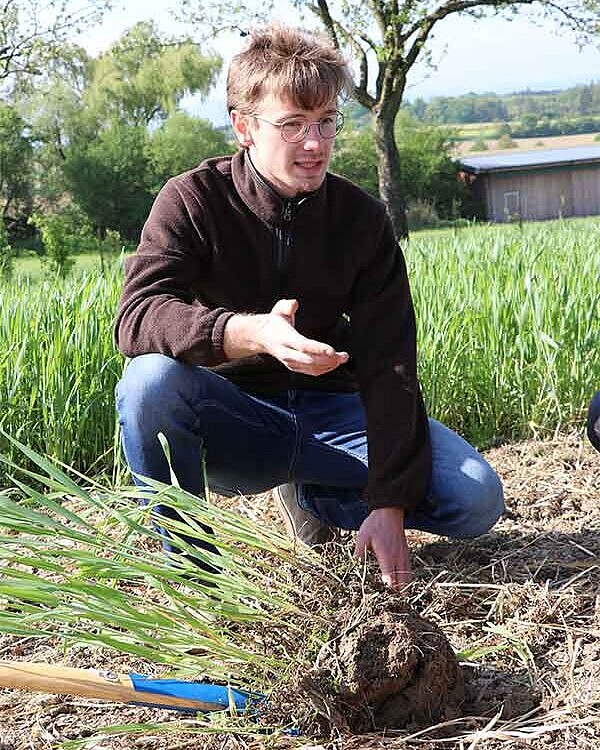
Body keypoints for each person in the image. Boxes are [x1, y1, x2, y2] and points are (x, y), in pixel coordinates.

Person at [114, 24, 504, 590]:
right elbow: (137, 317)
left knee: (474, 499)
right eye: (292, 125)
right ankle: (195, 581)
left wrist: (390, 501)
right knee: (148, 382)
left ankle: (322, 502)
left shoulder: (362, 221)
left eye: (325, 122)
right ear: (245, 126)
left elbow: (390, 364)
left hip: (333, 418)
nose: (315, 144)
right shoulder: (193, 200)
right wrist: (248, 333)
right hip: (237, 420)